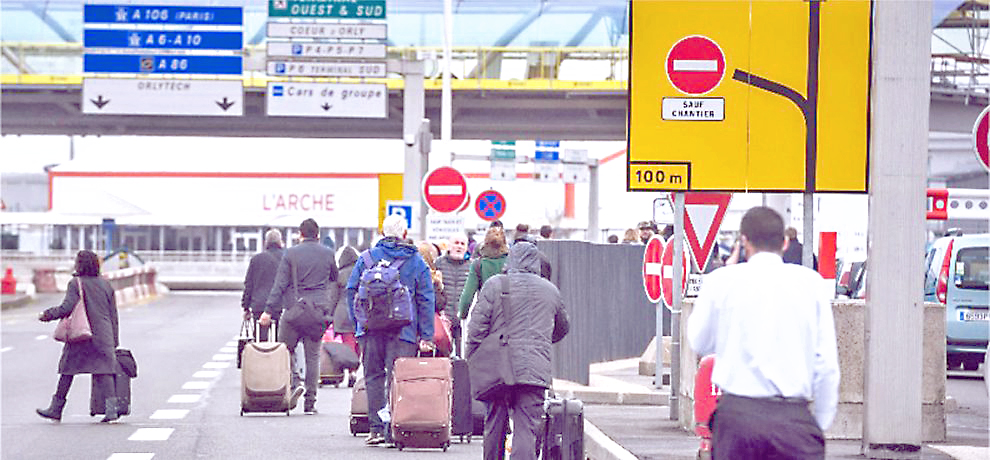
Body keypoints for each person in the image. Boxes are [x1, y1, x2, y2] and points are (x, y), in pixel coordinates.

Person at [687, 207, 840, 460]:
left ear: (744, 240)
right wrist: (817, 423)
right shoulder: (811, 284)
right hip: (793, 419)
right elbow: (826, 366)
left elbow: (699, 341)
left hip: (737, 419)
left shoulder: (721, 281)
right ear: (784, 242)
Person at [466, 241, 570, 460]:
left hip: (498, 367)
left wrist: (474, 358)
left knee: (495, 421)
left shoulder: (495, 285)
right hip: (534, 369)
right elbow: (562, 328)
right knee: (526, 427)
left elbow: (476, 328)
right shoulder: (550, 290)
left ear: (510, 259)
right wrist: (540, 341)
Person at [346, 214, 435, 446]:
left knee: (374, 376)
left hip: (370, 329)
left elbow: (351, 290)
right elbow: (426, 299)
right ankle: (393, 428)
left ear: (383, 233)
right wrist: (426, 335)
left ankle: (375, 428)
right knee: (399, 379)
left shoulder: (366, 259)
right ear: (404, 234)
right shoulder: (416, 261)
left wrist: (358, 323)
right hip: (404, 331)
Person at [261, 218, 339, 415]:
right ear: (318, 235)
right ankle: (310, 403)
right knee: (313, 357)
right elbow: (333, 279)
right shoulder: (328, 254)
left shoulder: (291, 253)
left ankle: (295, 381)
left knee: (285, 350)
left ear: (300, 234)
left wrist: (268, 311)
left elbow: (279, 284)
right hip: (317, 311)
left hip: (295, 310)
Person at [36, 250, 121, 423]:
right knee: (105, 370)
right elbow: (113, 314)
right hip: (104, 335)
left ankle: (56, 409)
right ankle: (111, 411)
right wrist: (114, 340)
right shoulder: (106, 284)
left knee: (67, 370)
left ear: (80, 264)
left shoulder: (76, 283)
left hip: (82, 334)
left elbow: (67, 308)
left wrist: (47, 314)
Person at [241, 229, 285, 341]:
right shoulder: (285, 258)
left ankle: (261, 356)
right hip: (279, 304)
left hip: (259, 305)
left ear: (266, 242)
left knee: (260, 339)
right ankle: (277, 356)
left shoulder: (256, 259)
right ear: (280, 241)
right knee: (279, 338)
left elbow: (249, 285)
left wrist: (246, 307)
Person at [458, 226, 509, 320]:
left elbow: (468, 295)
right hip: (509, 315)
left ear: (485, 243)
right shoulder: (511, 262)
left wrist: (462, 314)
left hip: (486, 315)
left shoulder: (478, 264)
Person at [435, 234, 471, 357]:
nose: (459, 246)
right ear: (449, 246)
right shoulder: (438, 264)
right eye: (456, 243)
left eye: (462, 244)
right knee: (442, 358)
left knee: (462, 358)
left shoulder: (472, 266)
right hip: (444, 320)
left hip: (463, 321)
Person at [332, 245, 361, 358]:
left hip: (343, 313)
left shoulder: (339, 275)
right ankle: (355, 366)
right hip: (360, 312)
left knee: (348, 342)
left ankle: (351, 368)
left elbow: (333, 298)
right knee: (358, 341)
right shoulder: (362, 272)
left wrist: (328, 316)